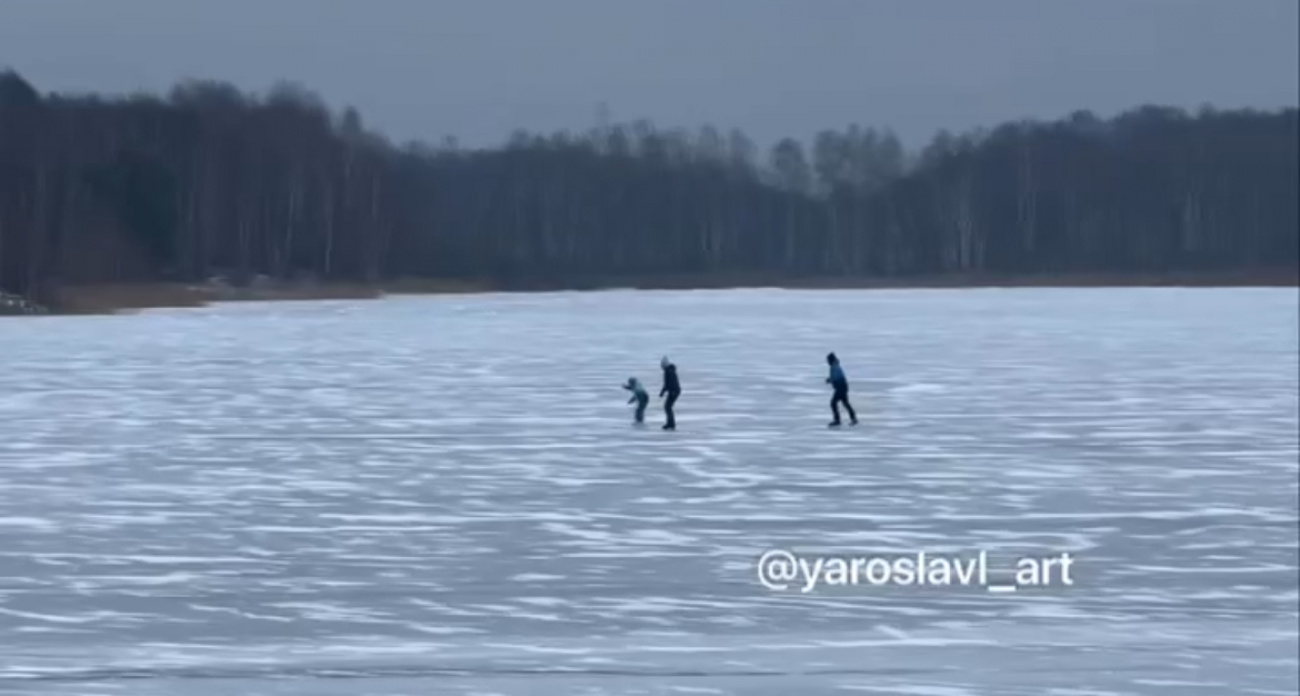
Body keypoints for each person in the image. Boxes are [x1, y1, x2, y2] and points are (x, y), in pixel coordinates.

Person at [826, 352, 858, 427]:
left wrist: (830, 380)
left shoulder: (834, 367)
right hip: (842, 386)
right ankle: (853, 418)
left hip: (841, 387)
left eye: (828, 360)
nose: (827, 362)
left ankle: (837, 420)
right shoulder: (835, 366)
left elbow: (836, 378)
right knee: (845, 403)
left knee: (833, 403)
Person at [659, 356, 681, 430]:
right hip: (674, 391)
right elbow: (668, 383)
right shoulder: (670, 370)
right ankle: (670, 423)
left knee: (667, 407)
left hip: (674, 391)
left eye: (661, 365)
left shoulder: (668, 371)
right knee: (668, 407)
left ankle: (671, 424)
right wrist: (663, 392)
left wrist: (663, 392)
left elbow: (669, 383)